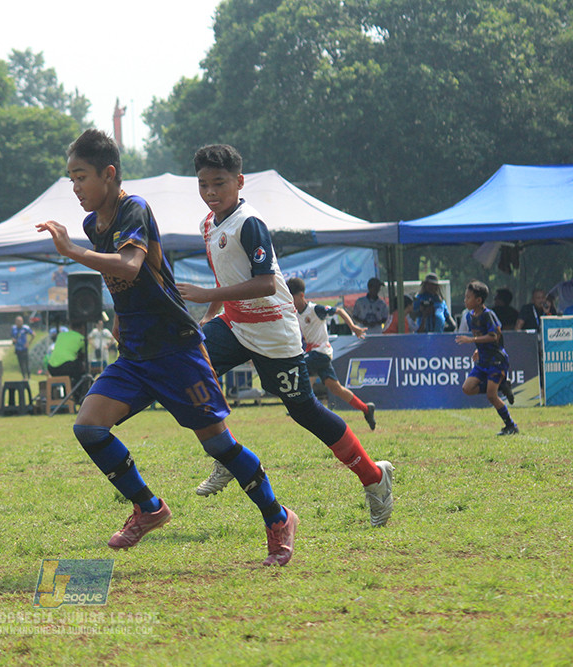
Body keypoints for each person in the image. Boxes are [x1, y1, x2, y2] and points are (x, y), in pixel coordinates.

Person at [36, 130, 298, 565]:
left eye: (81, 176)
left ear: (109, 174)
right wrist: (121, 318)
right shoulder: (91, 224)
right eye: (71, 179)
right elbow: (126, 282)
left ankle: (277, 517)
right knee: (89, 428)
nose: (75, 187)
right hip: (137, 355)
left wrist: (71, 253)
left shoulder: (133, 208)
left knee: (218, 447)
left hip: (176, 351)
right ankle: (149, 507)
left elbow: (130, 264)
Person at [177, 144, 393, 528]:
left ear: (240, 182)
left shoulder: (250, 222)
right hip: (234, 323)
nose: (210, 192)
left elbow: (262, 284)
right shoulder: (208, 224)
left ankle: (375, 480)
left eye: (219, 183)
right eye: (203, 184)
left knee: (305, 411)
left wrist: (208, 298)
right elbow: (222, 278)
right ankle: (229, 456)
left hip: (273, 329)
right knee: (185, 367)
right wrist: (207, 318)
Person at [288, 277, 377, 430]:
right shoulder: (296, 313)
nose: (291, 302)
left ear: (302, 296)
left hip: (321, 352)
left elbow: (340, 311)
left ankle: (304, 409)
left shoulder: (315, 309)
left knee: (299, 365)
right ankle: (366, 409)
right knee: (335, 388)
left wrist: (353, 327)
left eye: (292, 298)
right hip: (315, 353)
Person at [455, 280, 518, 435]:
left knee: (491, 395)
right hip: (483, 359)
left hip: (496, 360)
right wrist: (478, 349)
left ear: (478, 300)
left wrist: (472, 341)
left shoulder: (488, 315)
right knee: (467, 388)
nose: (465, 300)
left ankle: (511, 426)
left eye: (468, 297)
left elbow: (494, 335)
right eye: (465, 297)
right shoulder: (470, 316)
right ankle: (502, 386)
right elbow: (480, 335)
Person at [11, 315, 36, 380]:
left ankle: (29, 376)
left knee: (26, 363)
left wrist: (29, 343)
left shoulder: (25, 328)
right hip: (18, 348)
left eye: (20, 321)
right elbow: (12, 336)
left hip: (24, 348)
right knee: (21, 363)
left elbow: (33, 334)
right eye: (18, 321)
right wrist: (13, 340)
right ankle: (24, 377)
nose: (19, 322)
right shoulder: (14, 328)